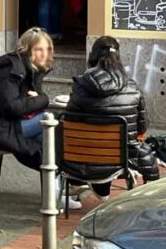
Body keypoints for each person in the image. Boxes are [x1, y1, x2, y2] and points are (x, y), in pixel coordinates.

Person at [64, 36, 155, 198]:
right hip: (118, 160)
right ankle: (103, 190)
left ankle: (80, 185)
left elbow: (70, 120)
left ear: (93, 56)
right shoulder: (132, 88)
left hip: (78, 159)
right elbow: (142, 128)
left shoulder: (80, 86)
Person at [0, 27, 53, 171]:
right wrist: (43, 99)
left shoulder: (28, 69)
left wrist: (38, 96)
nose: (44, 54)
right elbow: (12, 108)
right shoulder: (11, 71)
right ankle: (53, 173)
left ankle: (52, 173)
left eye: (47, 49)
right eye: (39, 49)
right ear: (27, 50)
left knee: (49, 133)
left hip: (7, 123)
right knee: (51, 123)